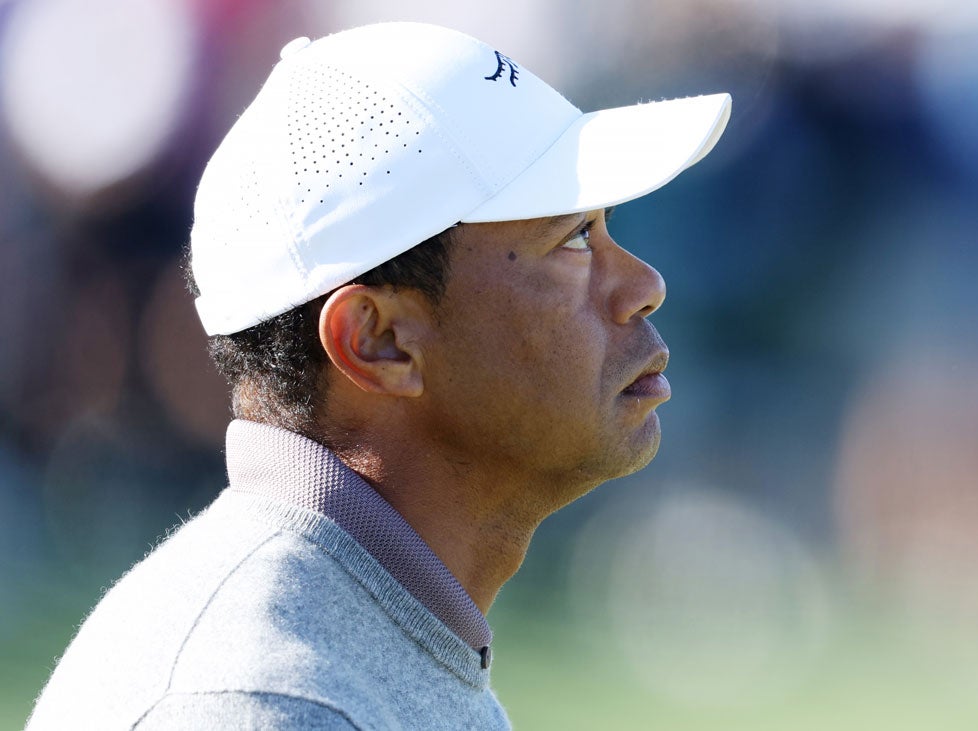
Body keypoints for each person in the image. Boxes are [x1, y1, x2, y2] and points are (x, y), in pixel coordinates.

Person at [26, 22, 729, 729]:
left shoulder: (341, 642)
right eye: (572, 239)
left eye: (606, 226)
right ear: (378, 340)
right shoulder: (260, 701)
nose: (643, 284)